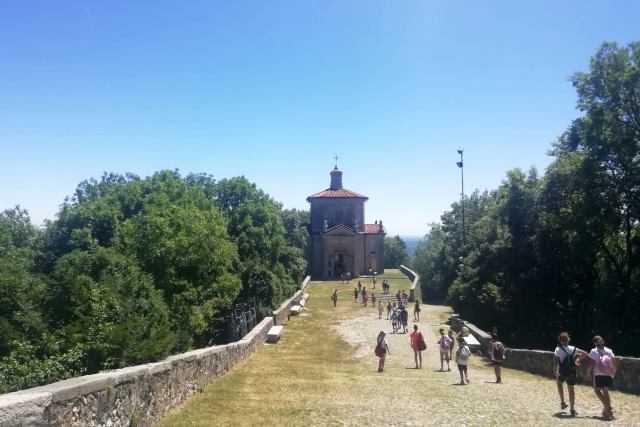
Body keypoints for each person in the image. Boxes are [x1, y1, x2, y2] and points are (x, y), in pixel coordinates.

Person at [588, 335, 616, 420]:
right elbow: (613, 362)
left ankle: (607, 407)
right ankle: (606, 410)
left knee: (597, 390)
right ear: (603, 341)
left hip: (598, 373)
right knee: (605, 391)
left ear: (594, 343)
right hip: (608, 373)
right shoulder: (609, 350)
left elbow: (591, 363)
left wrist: (588, 372)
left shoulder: (593, 351)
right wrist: (613, 372)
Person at [553, 332, 581, 416]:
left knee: (559, 383)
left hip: (562, 371)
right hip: (572, 372)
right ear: (568, 339)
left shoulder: (557, 349)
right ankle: (572, 409)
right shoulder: (573, 348)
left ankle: (562, 402)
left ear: (560, 340)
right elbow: (581, 355)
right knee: (571, 390)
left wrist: (556, 371)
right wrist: (577, 361)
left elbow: (556, 361)